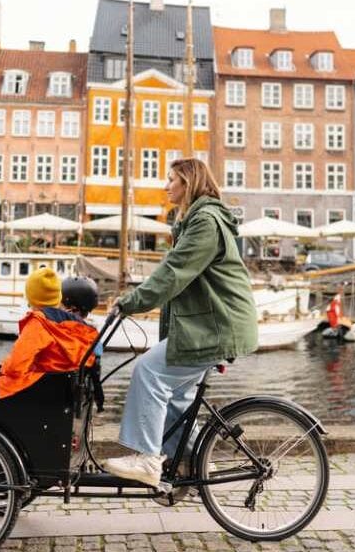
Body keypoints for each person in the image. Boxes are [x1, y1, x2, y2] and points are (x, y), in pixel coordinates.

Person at [104, 158, 258, 487]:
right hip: (208, 325)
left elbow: (174, 273)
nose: (165, 186)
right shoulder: (195, 220)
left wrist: (131, 303)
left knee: (148, 371)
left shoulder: (205, 221)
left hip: (215, 327)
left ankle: (147, 459)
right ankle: (191, 462)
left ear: (188, 183)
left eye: (171, 179)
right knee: (176, 398)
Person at [0, 269, 99, 399]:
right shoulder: (81, 329)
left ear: (31, 298)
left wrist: (4, 366)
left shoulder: (39, 323)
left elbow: (15, 368)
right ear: (58, 297)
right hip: (59, 392)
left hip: (33, 391)